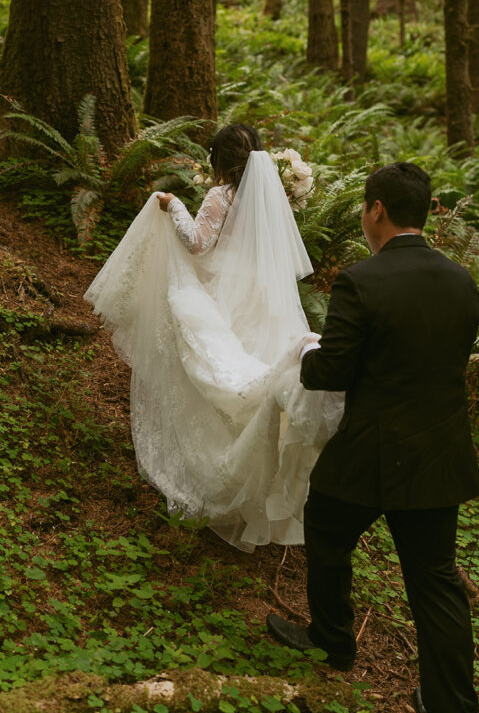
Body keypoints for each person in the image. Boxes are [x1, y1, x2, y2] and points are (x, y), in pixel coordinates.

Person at [266, 162, 479, 713]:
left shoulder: (361, 280)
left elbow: (330, 371)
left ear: (376, 209)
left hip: (370, 450)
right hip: (438, 451)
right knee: (436, 579)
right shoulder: (462, 281)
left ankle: (333, 640)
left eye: (366, 209)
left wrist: (306, 351)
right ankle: (451, 701)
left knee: (327, 529)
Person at [84, 124, 344, 551]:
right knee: (256, 364)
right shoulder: (269, 200)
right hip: (263, 301)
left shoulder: (220, 197)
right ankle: (261, 483)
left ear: (219, 160)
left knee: (211, 370)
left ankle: (220, 470)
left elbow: (198, 245)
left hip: (224, 295)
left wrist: (174, 207)